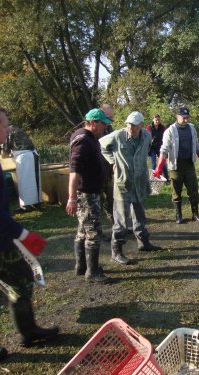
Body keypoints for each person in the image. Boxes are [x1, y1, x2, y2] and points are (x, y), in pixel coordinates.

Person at [0, 105, 58, 365]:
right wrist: (24, 234)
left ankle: (28, 331)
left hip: (0, 242)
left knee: (22, 278)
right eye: (4, 126)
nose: (8, 131)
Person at [99, 111, 161, 266]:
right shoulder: (118, 135)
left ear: (141, 125)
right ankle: (116, 252)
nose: (130, 127)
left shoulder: (146, 136)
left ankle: (143, 243)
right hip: (123, 182)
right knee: (121, 219)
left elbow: (146, 151)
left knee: (139, 214)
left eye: (133, 125)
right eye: (128, 124)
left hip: (139, 181)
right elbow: (101, 145)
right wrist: (112, 160)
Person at [66, 108, 112, 284]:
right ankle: (92, 272)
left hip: (89, 191)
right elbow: (74, 171)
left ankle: (81, 266)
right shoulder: (83, 141)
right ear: (93, 122)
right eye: (103, 124)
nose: (105, 128)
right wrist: (72, 198)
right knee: (93, 232)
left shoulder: (85, 136)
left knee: (83, 230)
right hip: (86, 193)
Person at [153, 107, 199, 224]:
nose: (186, 120)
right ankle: (178, 215)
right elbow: (164, 150)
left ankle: (195, 214)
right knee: (176, 191)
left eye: (188, 118)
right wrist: (158, 168)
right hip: (175, 166)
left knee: (193, 190)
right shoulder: (170, 131)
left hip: (189, 164)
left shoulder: (192, 128)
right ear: (177, 117)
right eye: (184, 118)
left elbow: (197, 146)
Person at [2, 125, 42, 213]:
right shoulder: (16, 129)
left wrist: (3, 157)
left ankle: (26, 205)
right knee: (35, 180)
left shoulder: (6, 131)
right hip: (33, 154)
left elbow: (6, 148)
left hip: (23, 156)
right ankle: (37, 203)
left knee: (24, 182)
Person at [100, 104, 115, 240]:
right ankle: (98, 232)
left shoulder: (109, 128)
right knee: (96, 203)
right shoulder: (95, 130)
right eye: (109, 117)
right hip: (97, 173)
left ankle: (116, 226)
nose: (111, 120)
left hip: (108, 170)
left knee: (111, 199)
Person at [147, 114, 169, 180]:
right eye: (156, 120)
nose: (157, 121)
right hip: (152, 148)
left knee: (163, 163)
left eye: (158, 120)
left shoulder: (162, 127)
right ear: (153, 120)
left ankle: (167, 178)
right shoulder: (149, 127)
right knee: (153, 164)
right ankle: (153, 179)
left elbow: (166, 136)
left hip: (160, 147)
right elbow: (146, 136)